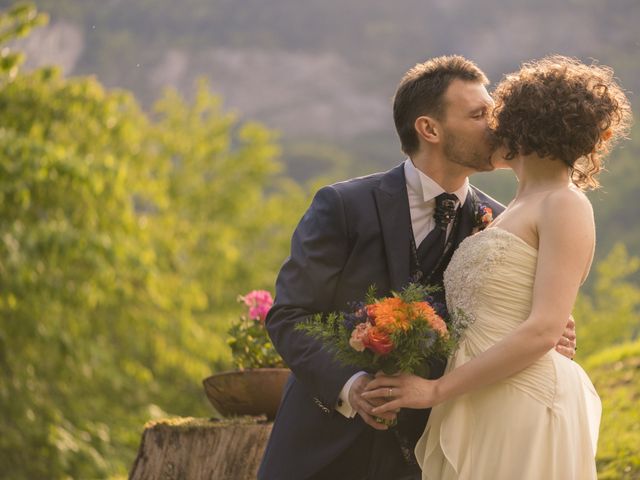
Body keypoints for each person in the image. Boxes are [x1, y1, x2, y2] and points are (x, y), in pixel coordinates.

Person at [258, 56, 577, 480]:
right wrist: (352, 387)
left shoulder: (501, 225)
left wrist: (548, 332)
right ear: (429, 129)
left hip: (429, 453)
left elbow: (519, 320)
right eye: (480, 114)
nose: (497, 125)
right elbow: (290, 315)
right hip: (320, 448)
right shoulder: (343, 206)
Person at [363, 56, 632, 479]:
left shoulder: (564, 202)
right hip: (479, 395)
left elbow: (544, 328)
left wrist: (436, 390)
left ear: (522, 124)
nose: (490, 126)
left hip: (519, 396)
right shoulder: (508, 209)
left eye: (495, 114)